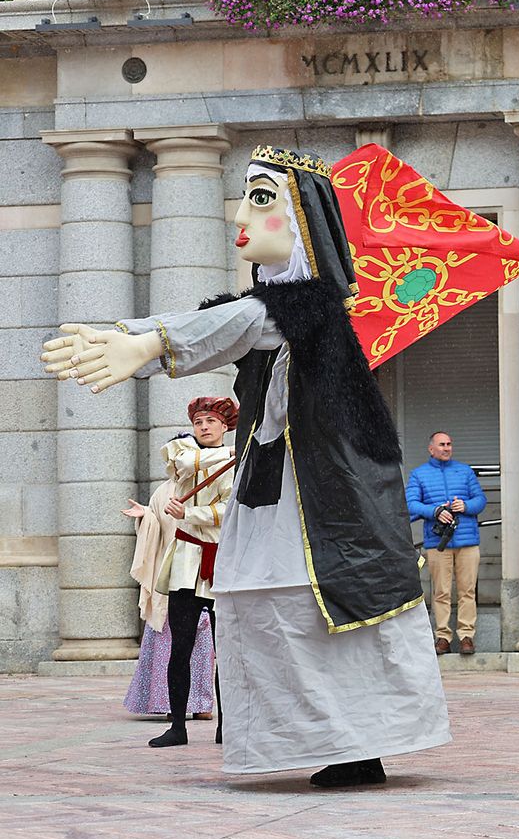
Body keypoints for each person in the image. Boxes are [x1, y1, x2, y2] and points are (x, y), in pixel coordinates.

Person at [42, 144, 450, 788]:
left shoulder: (309, 311)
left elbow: (235, 325)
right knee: (275, 615)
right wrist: (129, 334)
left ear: (304, 223)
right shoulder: (277, 312)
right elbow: (220, 321)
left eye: (261, 200)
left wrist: (146, 344)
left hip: (319, 505)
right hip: (278, 491)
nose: (240, 216)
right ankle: (333, 743)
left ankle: (357, 746)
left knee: (308, 614)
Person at [123, 396, 236, 746]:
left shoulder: (235, 463)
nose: (204, 426)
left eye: (211, 421)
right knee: (180, 647)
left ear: (224, 426)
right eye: (199, 421)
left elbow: (229, 508)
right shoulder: (183, 454)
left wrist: (190, 514)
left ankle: (227, 727)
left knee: (227, 652)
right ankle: (177, 727)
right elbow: (183, 465)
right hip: (185, 561)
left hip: (221, 562)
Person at [407, 431, 488, 656]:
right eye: (442, 444)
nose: (446, 448)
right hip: (438, 542)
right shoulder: (419, 474)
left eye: (449, 444)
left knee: (467, 591)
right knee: (441, 592)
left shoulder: (465, 471)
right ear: (431, 449)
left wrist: (466, 506)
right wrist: (435, 511)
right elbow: (410, 504)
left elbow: (481, 500)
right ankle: (443, 637)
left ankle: (466, 636)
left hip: (467, 540)